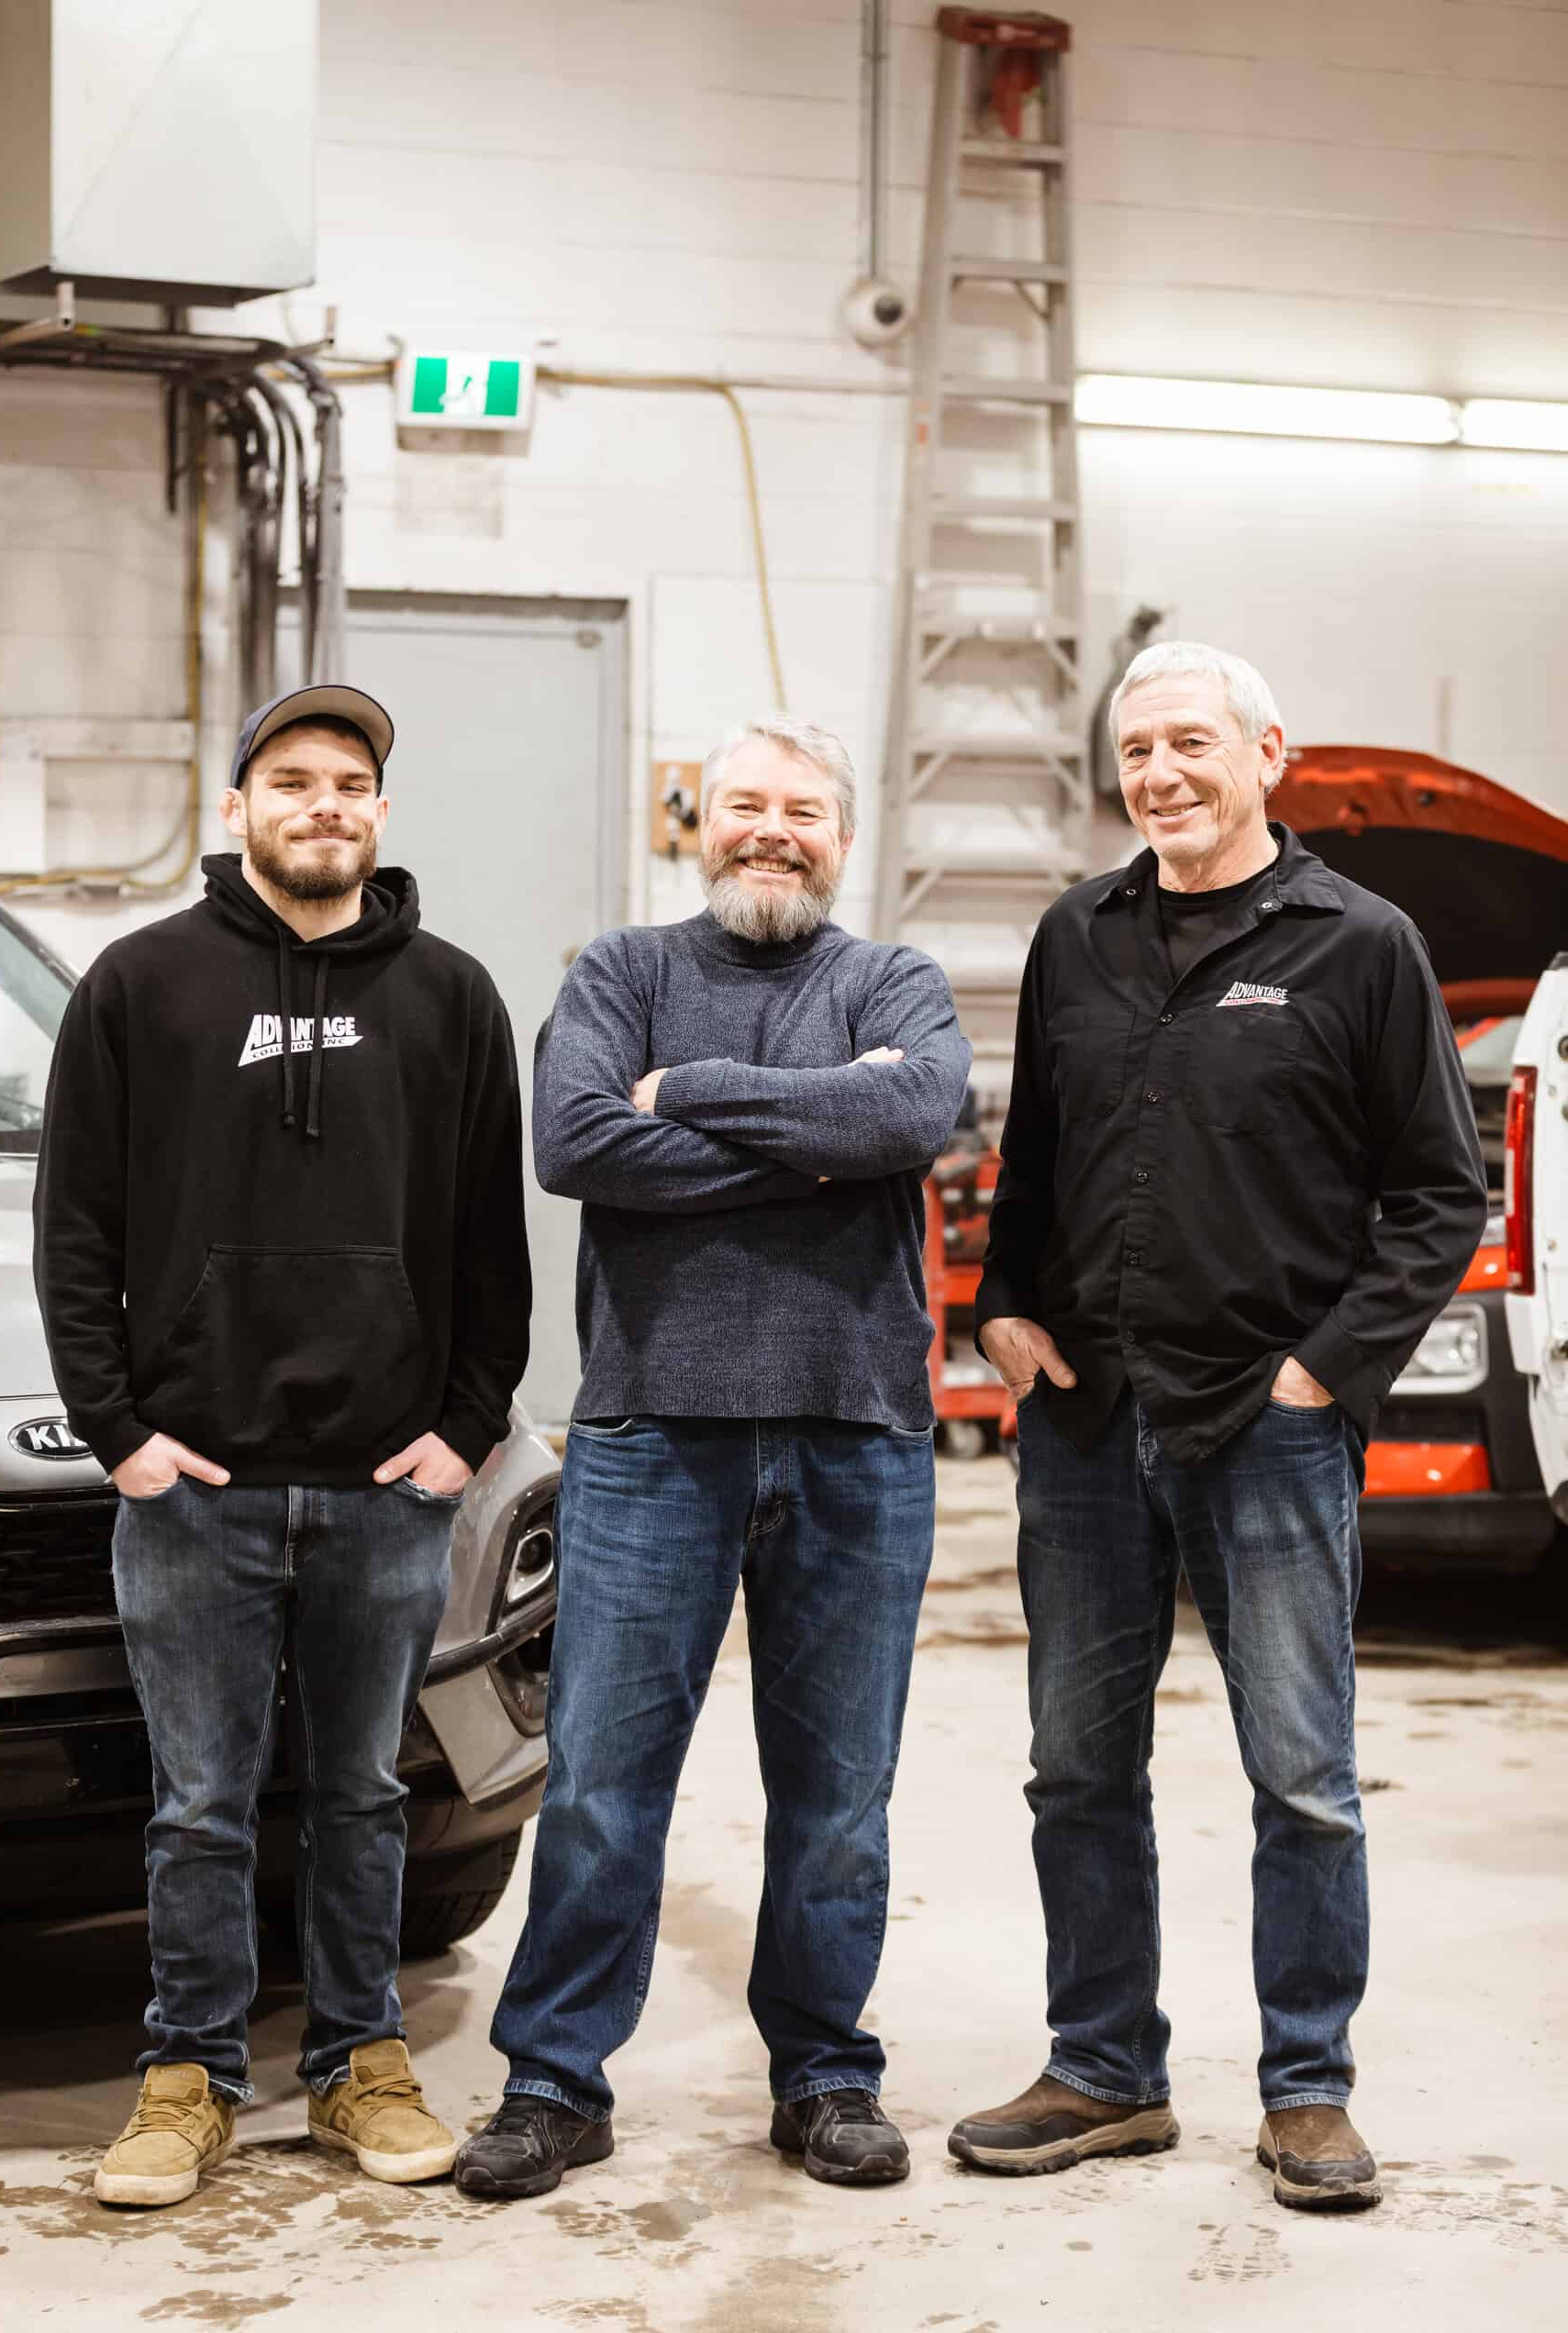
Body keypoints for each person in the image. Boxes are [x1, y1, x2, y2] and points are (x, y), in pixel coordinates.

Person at [950, 643, 1485, 2211]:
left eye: (1191, 742)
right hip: (1082, 1416)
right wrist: (1000, 1301)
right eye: (1137, 750)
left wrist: (1328, 1372)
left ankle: (1308, 2087)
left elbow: (1440, 1192)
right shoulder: (1078, 935)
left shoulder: (1361, 944)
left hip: (1264, 1421)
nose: (1162, 773)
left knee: (1302, 1772)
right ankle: (1105, 2068)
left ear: (1267, 752)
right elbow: (1033, 1158)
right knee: (1075, 1766)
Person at [453, 716, 971, 2200]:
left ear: (843, 838)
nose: (772, 830)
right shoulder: (624, 971)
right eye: (746, 803)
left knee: (837, 1786)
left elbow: (916, 1111)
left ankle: (823, 2073)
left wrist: (678, 1095)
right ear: (698, 819)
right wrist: (824, 1139)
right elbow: (577, 1144)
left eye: (803, 810)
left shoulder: (896, 983)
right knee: (606, 1778)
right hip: (649, 1433)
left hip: (857, 1435)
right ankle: (556, 2079)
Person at [33, 684, 531, 2207]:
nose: (326, 803)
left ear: (379, 814)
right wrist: (120, 1433)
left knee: (371, 1795)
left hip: (384, 1489)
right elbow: (77, 1227)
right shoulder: (139, 984)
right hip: (198, 1486)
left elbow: (486, 1244)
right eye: (294, 780)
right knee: (196, 1799)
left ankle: (358, 2063)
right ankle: (186, 2075)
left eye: (352, 783)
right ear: (240, 807)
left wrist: (465, 1426)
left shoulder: (450, 996)